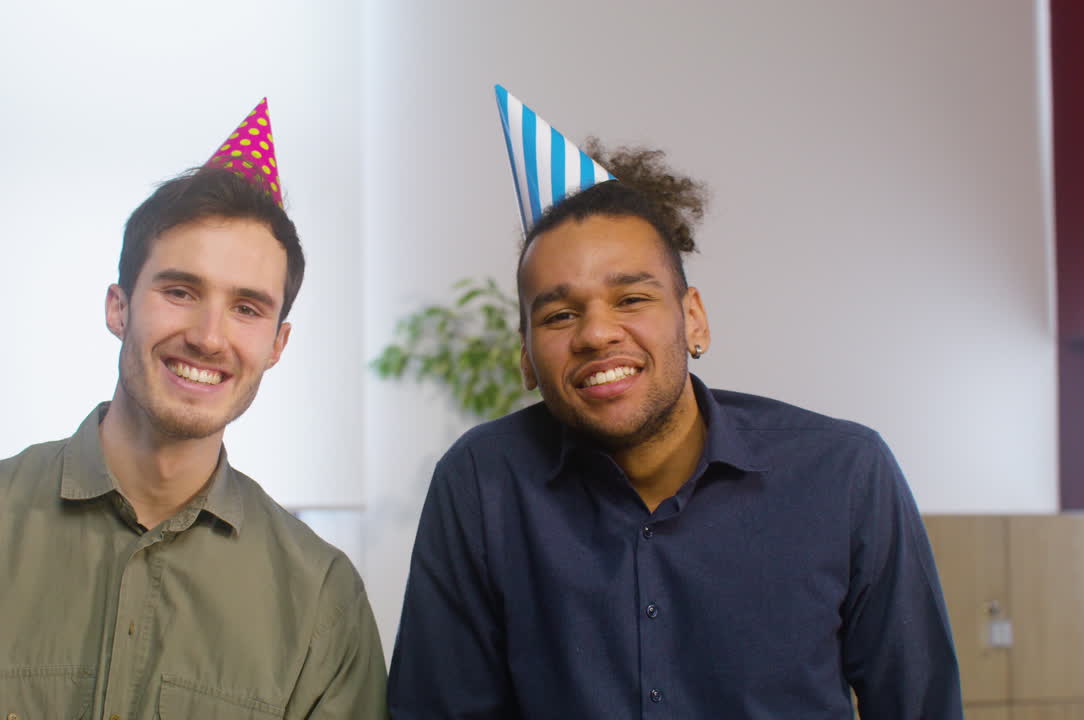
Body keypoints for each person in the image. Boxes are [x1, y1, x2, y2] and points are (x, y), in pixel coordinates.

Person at [387, 88, 962, 718]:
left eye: (631, 299)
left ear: (694, 319)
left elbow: (919, 703)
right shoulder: (481, 483)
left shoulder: (847, 473)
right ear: (525, 355)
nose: (597, 333)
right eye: (558, 314)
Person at [0, 99, 388, 719]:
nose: (209, 337)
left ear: (277, 343)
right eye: (180, 291)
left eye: (247, 307)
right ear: (118, 306)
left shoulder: (323, 604)